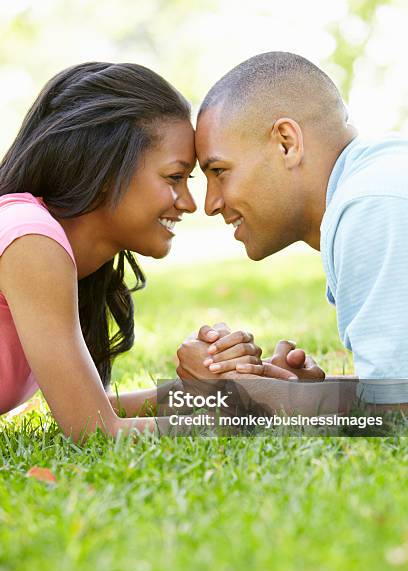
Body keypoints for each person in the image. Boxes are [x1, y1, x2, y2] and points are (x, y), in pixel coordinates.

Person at [0, 61, 274, 442]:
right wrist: (268, 415)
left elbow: (92, 408)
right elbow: (94, 431)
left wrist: (222, 392)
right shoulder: (30, 238)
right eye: (175, 177)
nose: (191, 203)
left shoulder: (56, 251)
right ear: (108, 169)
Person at [178, 51, 408, 411]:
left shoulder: (370, 206)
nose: (210, 204)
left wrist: (249, 397)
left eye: (220, 171)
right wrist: (295, 391)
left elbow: (396, 412)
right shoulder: (377, 180)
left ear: (286, 142)